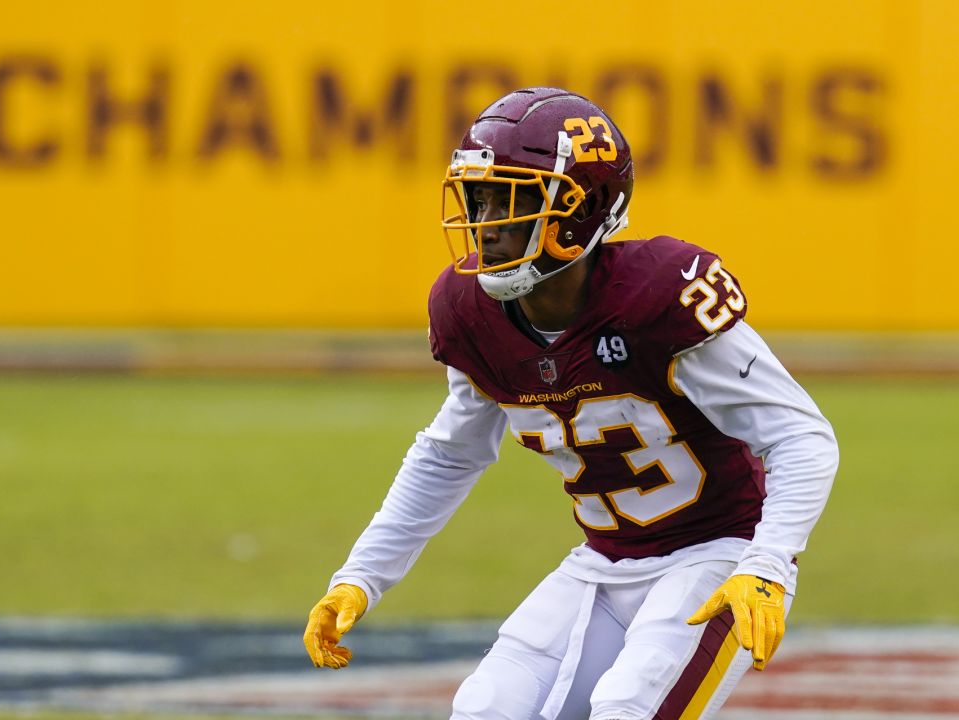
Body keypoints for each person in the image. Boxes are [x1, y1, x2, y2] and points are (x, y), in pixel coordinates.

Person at [302, 87, 839, 720]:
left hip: (715, 556)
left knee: (624, 709)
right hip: (603, 563)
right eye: (479, 198)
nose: (487, 223)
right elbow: (449, 455)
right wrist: (359, 576)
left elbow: (801, 437)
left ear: (582, 211)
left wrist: (767, 565)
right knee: (485, 709)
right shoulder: (468, 312)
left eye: (511, 200)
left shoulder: (658, 297)